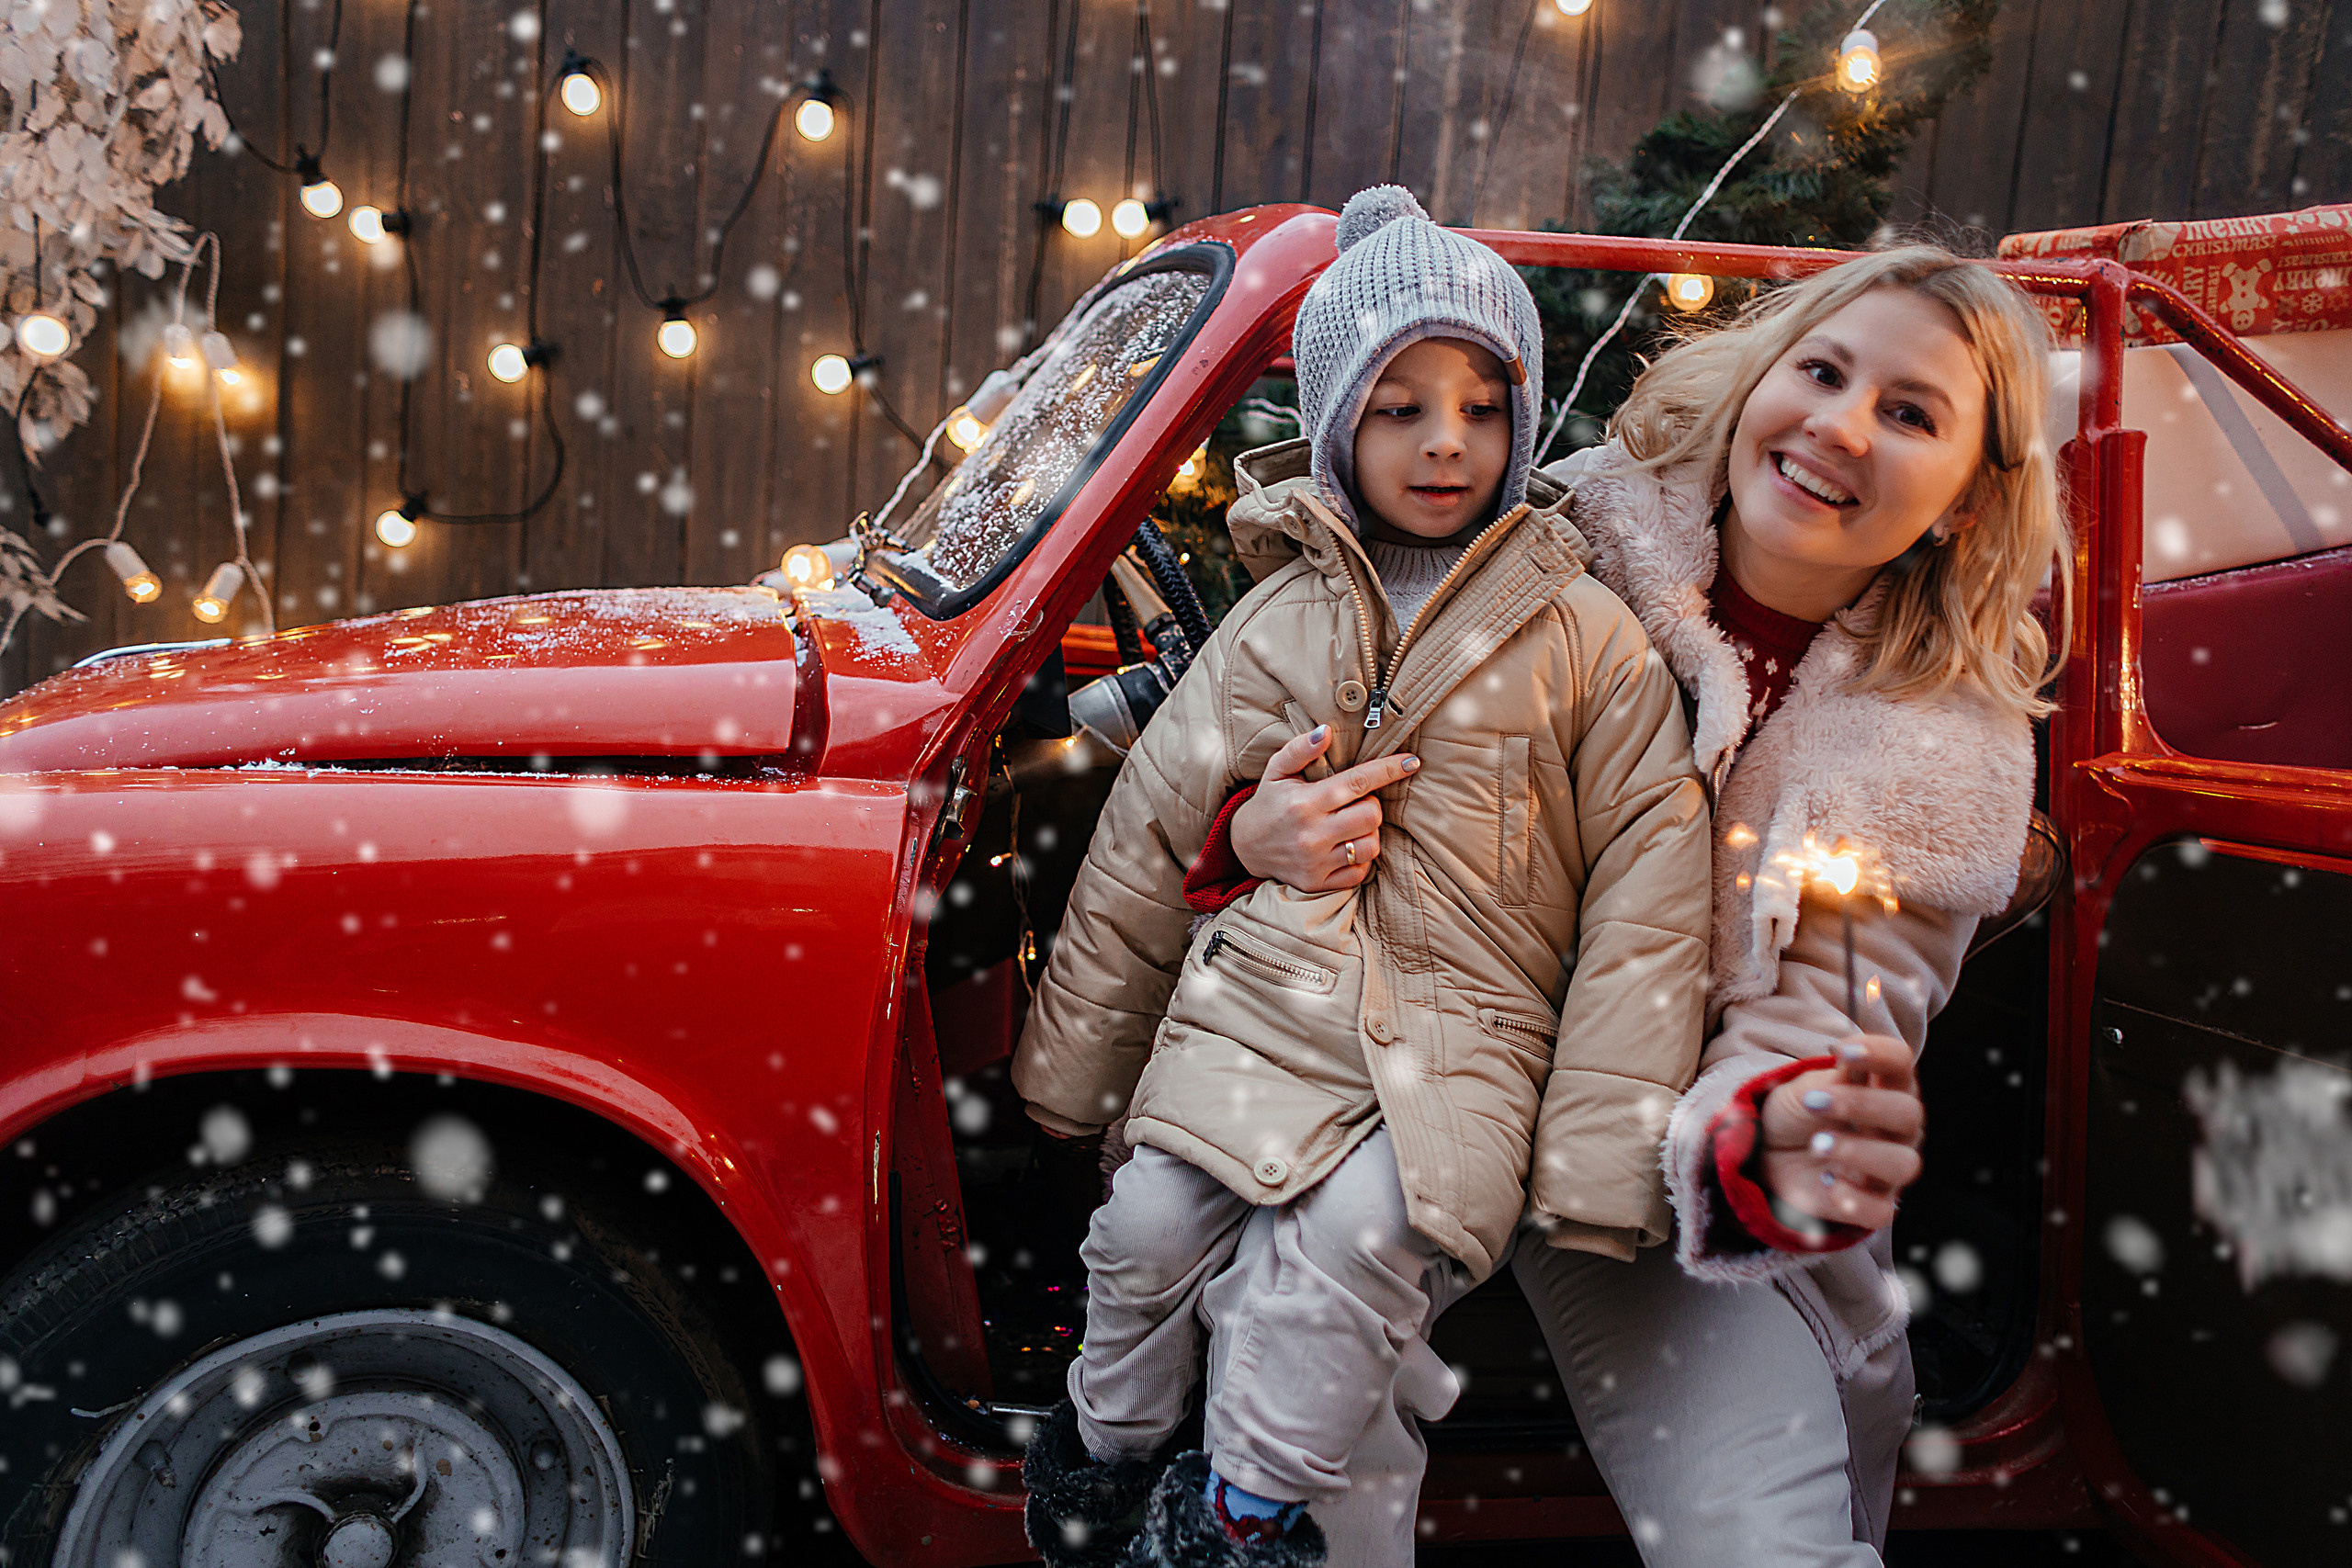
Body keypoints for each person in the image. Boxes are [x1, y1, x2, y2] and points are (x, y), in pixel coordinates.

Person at [1200, 244, 2067, 1564]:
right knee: (1304, 1341)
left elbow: (1819, 1030)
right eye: (1822, 371)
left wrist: (1771, 1142)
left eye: (1910, 414)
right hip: (1413, 1057)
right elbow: (1310, 703)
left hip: (1652, 1152)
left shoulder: (1939, 754)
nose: (1839, 425)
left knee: (1767, 1521)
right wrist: (1257, 832)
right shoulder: (1556, 536)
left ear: (1963, 500)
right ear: (1761, 378)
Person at [1009, 186, 1713, 1568]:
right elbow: (1157, 831)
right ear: (1338, 427)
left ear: (1521, 421)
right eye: (1399, 407)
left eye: (1481, 404)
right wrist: (1079, 1071)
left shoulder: (1583, 639)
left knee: (1348, 1256)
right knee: (1143, 1228)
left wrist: (1594, 1154)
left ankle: (1242, 1515)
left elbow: (1649, 891)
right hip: (1262, 1007)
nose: (1446, 441)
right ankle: (1107, 1449)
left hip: (1458, 1047)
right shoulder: (1279, 622)